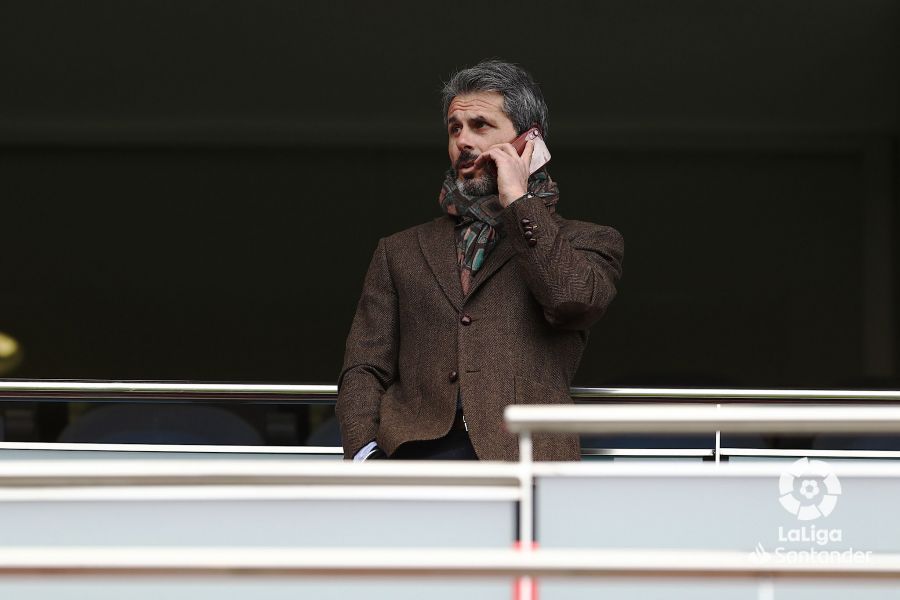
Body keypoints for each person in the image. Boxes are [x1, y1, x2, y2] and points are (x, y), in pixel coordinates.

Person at [336, 59, 624, 461]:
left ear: (527, 142)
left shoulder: (589, 240)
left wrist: (518, 201)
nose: (463, 142)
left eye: (480, 126)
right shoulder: (398, 251)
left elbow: (571, 300)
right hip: (413, 457)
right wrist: (364, 452)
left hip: (526, 458)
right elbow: (365, 366)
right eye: (455, 128)